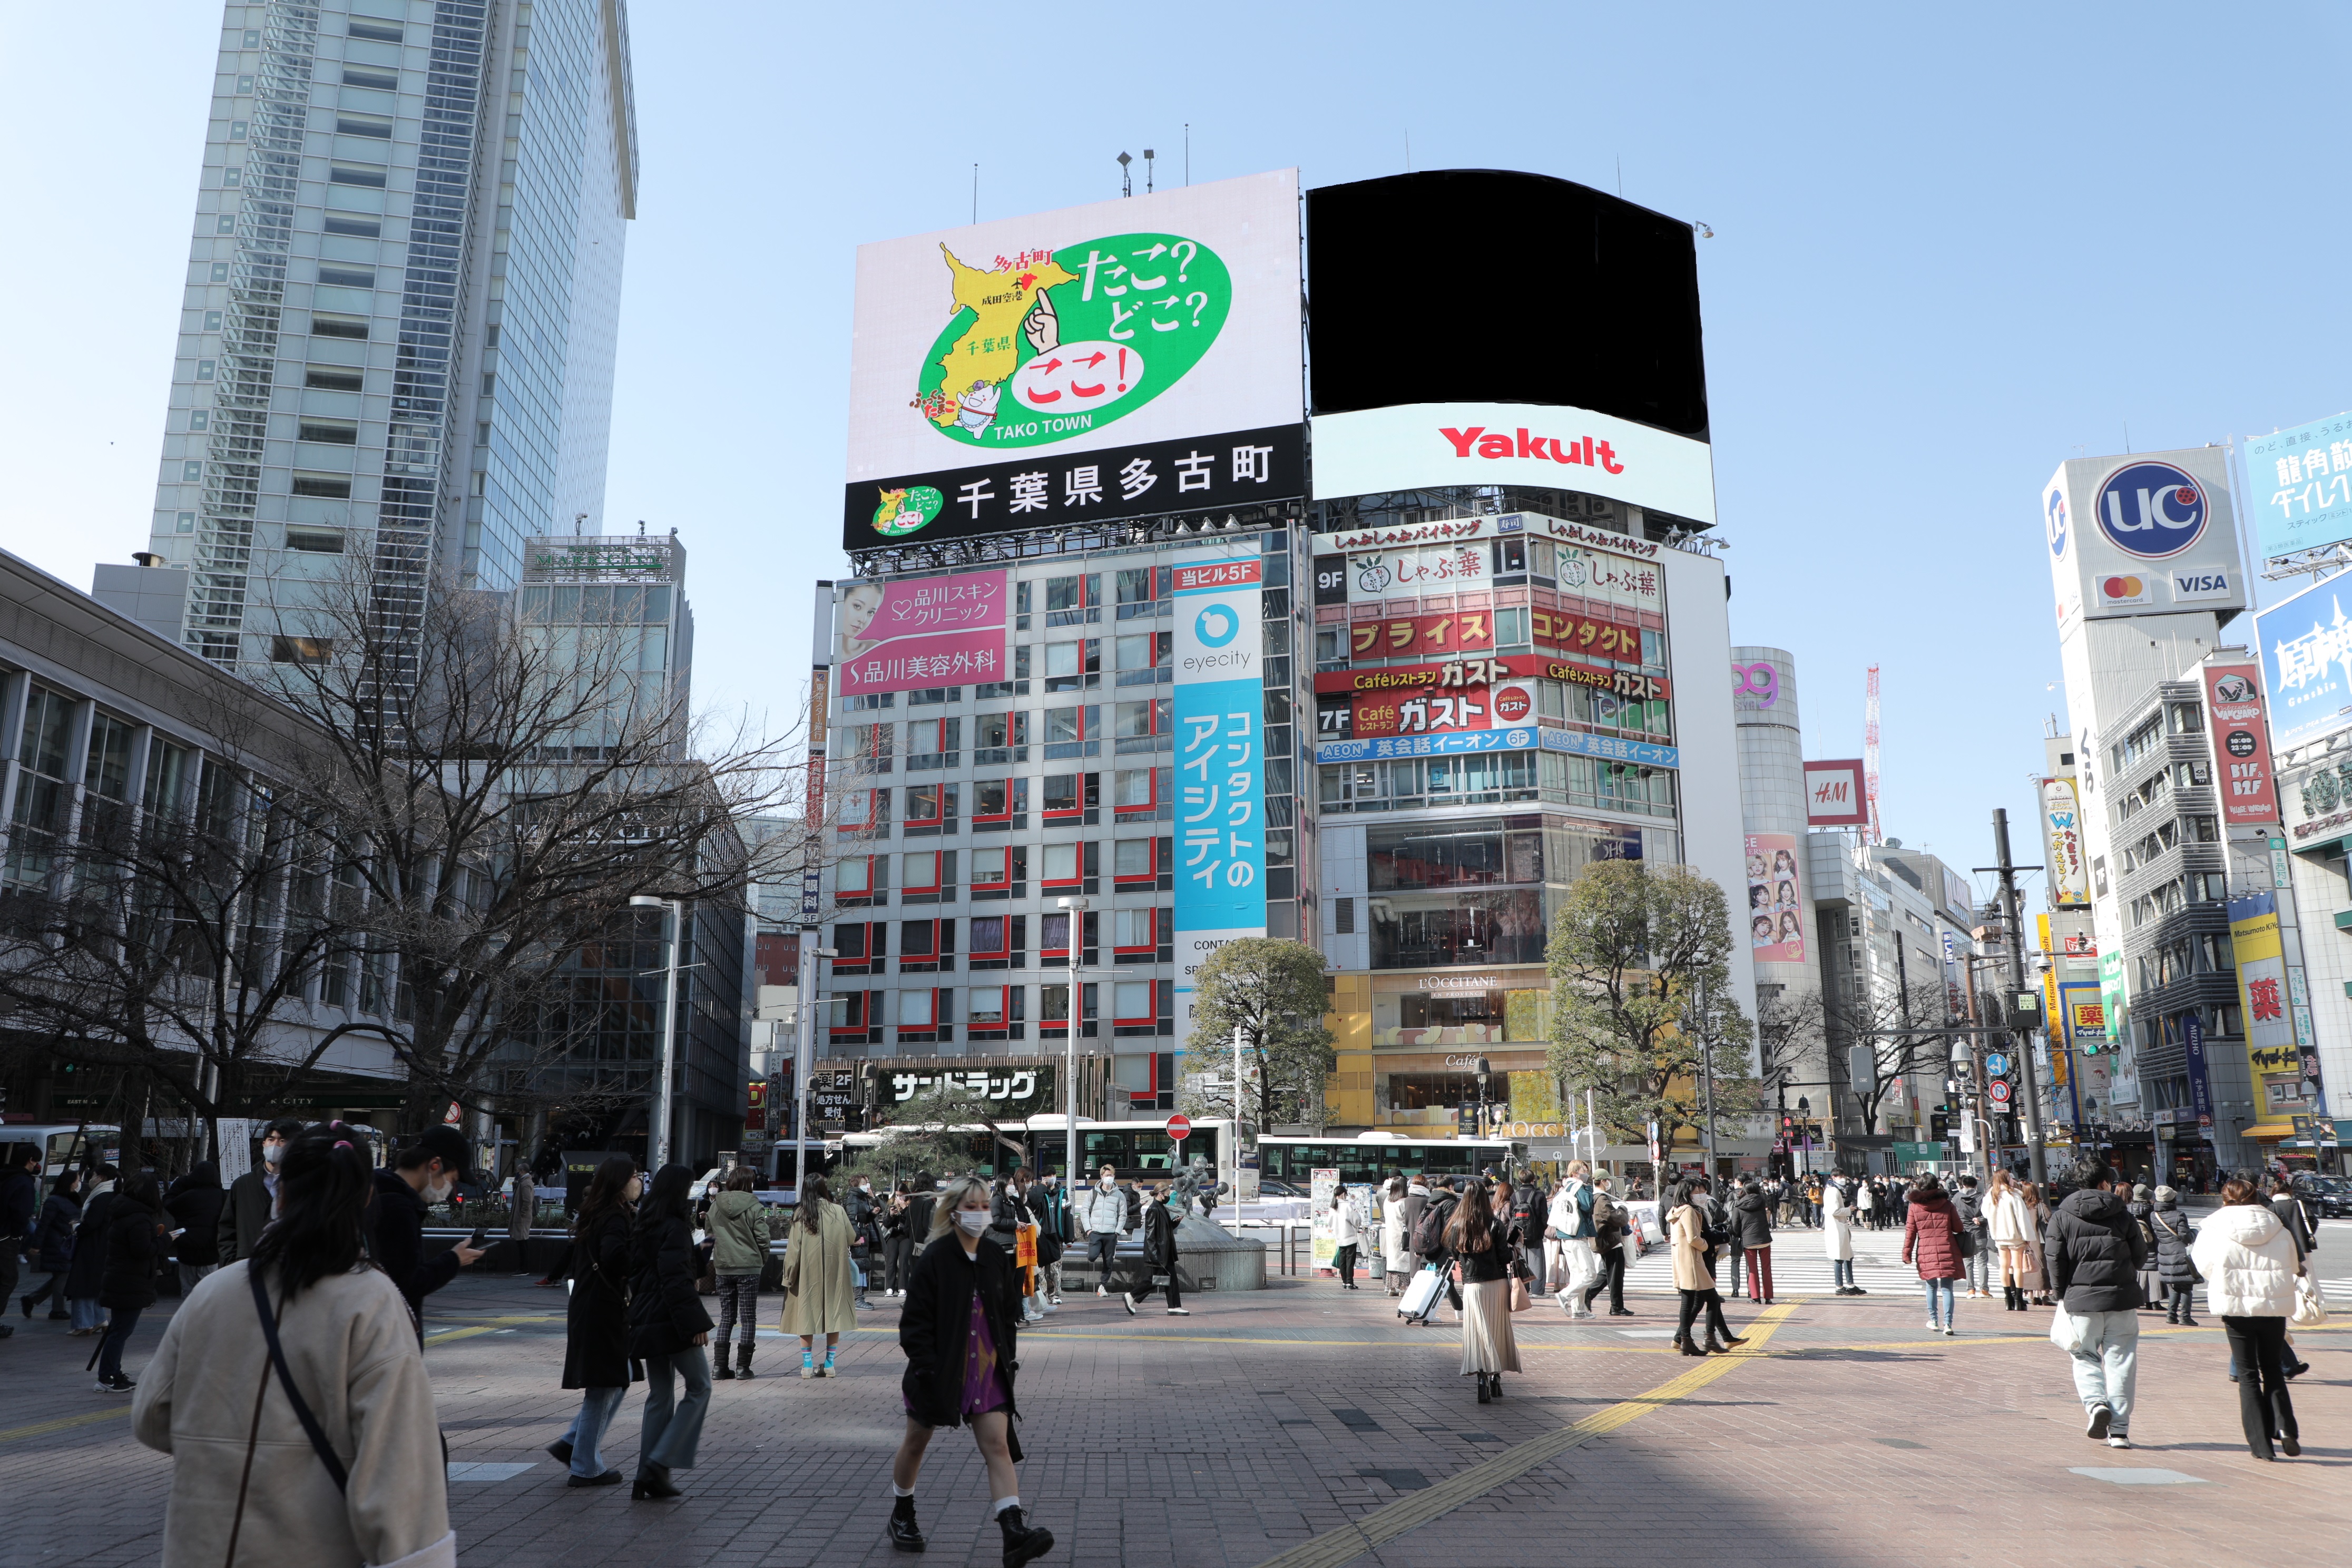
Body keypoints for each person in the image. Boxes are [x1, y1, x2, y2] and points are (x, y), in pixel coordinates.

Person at [132, 1123, 453, 1566]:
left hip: (200, 1550)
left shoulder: (214, 1292)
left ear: (280, 1193)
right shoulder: (373, 1303)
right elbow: (400, 1474)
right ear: (365, 1198)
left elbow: (151, 1416)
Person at [887, 1174, 1055, 1565]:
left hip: (988, 1369)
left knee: (997, 1445)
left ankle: (1013, 1532)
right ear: (954, 1211)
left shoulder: (995, 1255)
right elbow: (913, 1325)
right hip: (938, 1371)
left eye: (984, 1206)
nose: (980, 1213)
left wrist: (1007, 1361)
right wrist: (928, 1369)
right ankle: (902, 1513)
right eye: (971, 1206)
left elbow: (1008, 1312)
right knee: (916, 1442)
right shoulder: (935, 1257)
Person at [2190, 1178, 2306, 1461]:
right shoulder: (2275, 1224)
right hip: (2273, 1305)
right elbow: (2293, 1264)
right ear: (2256, 1196)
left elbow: (2203, 1264)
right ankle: (2285, 1428)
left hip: (2236, 1306)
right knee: (2273, 1369)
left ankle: (2261, 1445)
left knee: (2248, 1375)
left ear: (2225, 1198)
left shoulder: (2214, 1226)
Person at [2045, 1156, 2148, 1449]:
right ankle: (2120, 1431)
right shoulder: (2123, 1214)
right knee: (2121, 1362)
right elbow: (2140, 1256)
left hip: (2081, 1301)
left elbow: (2055, 1260)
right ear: (2105, 1182)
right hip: (2121, 1298)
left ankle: (2096, 1405)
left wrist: (2061, 1293)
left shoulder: (2062, 1216)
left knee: (2084, 1356)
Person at [552, 1157, 641, 1486]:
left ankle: (574, 1444)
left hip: (590, 1305)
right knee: (603, 1387)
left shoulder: (596, 1212)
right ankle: (585, 1466)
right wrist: (639, 1260)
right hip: (602, 1309)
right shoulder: (614, 1216)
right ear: (619, 1182)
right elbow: (614, 1256)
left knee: (618, 1377)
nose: (639, 1181)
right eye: (634, 1176)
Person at [628, 1163, 714, 1501]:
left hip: (647, 1318)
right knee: (700, 1386)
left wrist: (696, 1254)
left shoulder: (644, 1224)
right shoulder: (675, 1227)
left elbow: (652, 1271)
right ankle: (659, 1462)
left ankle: (646, 1475)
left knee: (660, 1395)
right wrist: (696, 1324)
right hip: (672, 1320)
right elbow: (676, 1281)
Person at [366, 1126, 484, 1342]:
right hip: (390, 1340)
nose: (450, 1188)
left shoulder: (375, 1192)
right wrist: (454, 1260)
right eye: (452, 1179)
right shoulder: (399, 1208)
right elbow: (407, 1284)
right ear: (434, 1165)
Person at [1447, 1179, 1520, 1402]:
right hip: (1497, 1284)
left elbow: (1455, 1255)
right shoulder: (1496, 1224)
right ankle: (1496, 1378)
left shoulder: (1457, 1226)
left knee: (1478, 1333)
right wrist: (1514, 1245)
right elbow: (1505, 1257)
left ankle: (1482, 1379)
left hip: (1472, 1286)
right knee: (1498, 1330)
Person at [780, 1172, 858, 1376]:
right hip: (835, 1273)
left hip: (807, 1274)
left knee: (806, 1316)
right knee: (834, 1315)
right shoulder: (838, 1211)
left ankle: (807, 1365)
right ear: (824, 1188)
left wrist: (788, 1277)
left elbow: (794, 1250)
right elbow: (851, 1237)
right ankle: (830, 1363)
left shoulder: (801, 1214)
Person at [95, 1171, 165, 1390]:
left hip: (121, 1278)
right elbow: (142, 1250)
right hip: (130, 1281)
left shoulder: (123, 1211)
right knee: (121, 1331)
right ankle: (107, 1377)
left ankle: (113, 1373)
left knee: (118, 1329)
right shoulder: (139, 1217)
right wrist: (165, 1240)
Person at [707, 1168, 768, 1381]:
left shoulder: (715, 1205)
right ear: (748, 1183)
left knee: (726, 1318)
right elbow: (763, 1238)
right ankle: (743, 1368)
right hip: (749, 1266)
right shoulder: (754, 1206)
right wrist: (761, 1259)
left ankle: (719, 1368)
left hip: (723, 1267)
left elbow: (709, 1235)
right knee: (748, 1318)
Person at [214, 1118, 302, 1264]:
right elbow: (227, 1229)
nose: (275, 1145)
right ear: (264, 1144)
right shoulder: (243, 1185)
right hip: (247, 1266)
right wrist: (232, 1263)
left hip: (291, 1267)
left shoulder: (306, 1185)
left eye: (283, 1141)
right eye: (271, 1139)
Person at [1902, 1173, 1966, 1337]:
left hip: (1926, 1251)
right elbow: (1958, 1228)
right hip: (1947, 1248)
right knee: (1947, 1289)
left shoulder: (1914, 1207)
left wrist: (1907, 1254)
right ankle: (1948, 1324)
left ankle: (1933, 1320)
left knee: (1931, 1286)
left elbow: (1910, 1233)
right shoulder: (1947, 1204)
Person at [1669, 1183, 1729, 1356]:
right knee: (1709, 1299)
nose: (1699, 1195)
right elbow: (1693, 1238)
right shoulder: (1688, 1210)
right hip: (1693, 1260)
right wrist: (1706, 1246)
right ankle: (1702, 1339)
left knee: (1691, 1301)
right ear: (1687, 1194)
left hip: (1683, 1259)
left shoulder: (1676, 1210)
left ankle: (1686, 1340)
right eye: (1695, 1192)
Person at [20, 1168, 81, 1321]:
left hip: (68, 1243)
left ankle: (31, 1299)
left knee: (61, 1277)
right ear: (70, 1183)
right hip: (57, 1245)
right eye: (78, 1180)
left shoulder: (73, 1199)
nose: (79, 1183)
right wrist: (36, 1245)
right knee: (62, 1276)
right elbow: (44, 1225)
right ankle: (57, 1310)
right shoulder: (54, 1201)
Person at [64, 1165, 116, 1335]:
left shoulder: (102, 1196)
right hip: (103, 1245)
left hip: (92, 1245)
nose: (90, 1179)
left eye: (93, 1175)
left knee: (82, 1283)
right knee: (93, 1284)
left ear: (101, 1177)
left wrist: (77, 1227)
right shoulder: (114, 1194)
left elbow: (92, 1222)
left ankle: (83, 1324)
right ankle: (98, 1320)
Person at [162, 1161, 226, 1300]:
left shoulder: (186, 1196)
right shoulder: (222, 1196)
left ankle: (188, 1314)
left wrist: (183, 1182)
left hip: (187, 1250)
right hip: (211, 1252)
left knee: (188, 1292)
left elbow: (168, 1201)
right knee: (209, 1293)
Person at [1125, 1182, 1188, 1316]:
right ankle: (1131, 1296)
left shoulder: (1161, 1208)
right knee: (1154, 1280)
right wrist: (1155, 1255)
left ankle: (1174, 1306)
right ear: (1161, 1194)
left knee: (1171, 1279)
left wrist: (1174, 1223)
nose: (1168, 1197)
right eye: (1167, 1194)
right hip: (1160, 1253)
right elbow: (1150, 1235)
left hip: (1165, 1251)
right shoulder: (1154, 1210)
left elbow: (1164, 1228)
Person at [1549, 1162, 1599, 1318]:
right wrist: (1588, 1189)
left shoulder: (1564, 1189)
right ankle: (1565, 1296)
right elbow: (1587, 1206)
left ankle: (1578, 1310)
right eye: (1584, 1170)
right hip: (1578, 1235)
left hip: (1565, 1236)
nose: (1587, 1174)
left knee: (1578, 1274)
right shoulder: (1579, 1187)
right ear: (1576, 1172)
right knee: (1590, 1274)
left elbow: (1552, 1210)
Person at [1985, 1170, 2037, 1310]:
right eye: (2009, 1177)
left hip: (1999, 1236)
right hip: (2015, 1236)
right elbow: (2023, 1219)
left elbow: (1985, 1213)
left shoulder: (1991, 1195)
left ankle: (2008, 1299)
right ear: (2006, 1179)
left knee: (2004, 1266)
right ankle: (2019, 1299)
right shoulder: (2013, 1195)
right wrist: (2027, 1237)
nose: (2012, 1179)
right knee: (2017, 1267)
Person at [0, 1144, 37, 1338]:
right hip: (6, 1237)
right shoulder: (23, 1182)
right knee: (8, 1279)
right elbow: (22, 1213)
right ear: (31, 1160)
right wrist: (17, 1235)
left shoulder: (5, 1176)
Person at [2150, 1187, 2200, 1326]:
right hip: (2181, 1254)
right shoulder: (2179, 1215)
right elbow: (2186, 1237)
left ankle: (2171, 1315)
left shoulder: (2154, 1215)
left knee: (2176, 1286)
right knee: (2186, 1287)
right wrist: (2195, 1232)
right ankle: (2185, 1317)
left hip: (2165, 1253)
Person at [1076, 1163, 1127, 1298]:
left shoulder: (1119, 1195)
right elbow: (1084, 1211)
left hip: (1111, 1234)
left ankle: (1102, 1286)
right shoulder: (1093, 1193)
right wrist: (1089, 1230)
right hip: (1096, 1233)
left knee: (1108, 1262)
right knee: (1092, 1256)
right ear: (1101, 1177)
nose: (1109, 1178)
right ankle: (1100, 1248)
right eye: (1107, 1175)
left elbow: (1123, 1214)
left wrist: (1117, 1232)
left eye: (1111, 1175)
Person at [1585, 1175, 1633, 1316]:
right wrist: (1623, 1210)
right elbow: (1613, 1217)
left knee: (1610, 1273)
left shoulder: (1596, 1198)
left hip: (1605, 1240)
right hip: (1609, 1240)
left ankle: (1612, 1304)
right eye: (1608, 1180)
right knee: (1615, 1274)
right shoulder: (1601, 1199)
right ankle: (1615, 1306)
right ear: (1602, 1181)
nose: (1609, 1183)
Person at [1025, 1171, 1067, 1308]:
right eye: (1046, 1176)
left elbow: (1067, 1214)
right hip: (1042, 1235)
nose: (1050, 1179)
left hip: (1057, 1235)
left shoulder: (1062, 1192)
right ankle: (1042, 1295)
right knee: (1041, 1268)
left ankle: (1055, 1294)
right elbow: (1031, 1202)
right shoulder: (1039, 1191)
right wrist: (1042, 1187)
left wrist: (1069, 1237)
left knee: (1056, 1267)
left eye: (1052, 1175)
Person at [1734, 1178, 1776, 1305]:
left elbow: (1735, 1225)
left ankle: (1755, 1297)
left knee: (1752, 1269)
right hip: (1764, 1239)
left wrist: (1740, 1234)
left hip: (1749, 1240)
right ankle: (1768, 1297)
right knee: (1766, 1268)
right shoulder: (1762, 1201)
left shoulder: (1739, 1205)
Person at [1951, 1174, 1990, 1299]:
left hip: (1965, 1234)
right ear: (1975, 1186)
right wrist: (1981, 1220)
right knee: (1982, 1262)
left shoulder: (1957, 1198)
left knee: (1968, 1263)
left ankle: (1970, 1290)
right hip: (1980, 1232)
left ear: (1963, 1185)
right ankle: (1984, 1290)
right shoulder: (1982, 1198)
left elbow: (1953, 1215)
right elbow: (1988, 1215)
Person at [1391, 1175, 1430, 1296]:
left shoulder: (1407, 1200)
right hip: (1425, 1237)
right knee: (1424, 1263)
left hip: (1412, 1235)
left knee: (1414, 1264)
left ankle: (1414, 1287)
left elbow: (1407, 1220)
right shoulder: (1427, 1200)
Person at [2125, 1183, 2162, 1312]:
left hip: (2134, 1243)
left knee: (2138, 1271)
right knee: (2153, 1272)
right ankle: (2155, 1302)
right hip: (2151, 1244)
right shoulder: (2152, 1210)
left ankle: (2141, 1300)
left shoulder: (2127, 1209)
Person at [1822, 1173, 1861, 1295]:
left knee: (1848, 1256)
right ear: (1834, 1177)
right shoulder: (1833, 1191)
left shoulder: (1834, 1189)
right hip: (1836, 1228)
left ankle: (1850, 1284)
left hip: (1839, 1227)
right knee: (1839, 1258)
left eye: (1844, 1177)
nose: (1843, 1179)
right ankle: (1839, 1286)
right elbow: (1835, 1211)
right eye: (1840, 1177)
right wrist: (1849, 1209)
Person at [1510, 1175, 1546, 1295]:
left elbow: (1511, 1216)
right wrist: (1540, 1230)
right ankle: (1537, 1291)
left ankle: (1523, 1290)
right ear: (1533, 1180)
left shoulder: (1515, 1196)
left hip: (1518, 1234)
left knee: (1521, 1262)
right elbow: (1544, 1217)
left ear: (1520, 1180)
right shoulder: (1539, 1195)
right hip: (1535, 1235)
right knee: (1537, 1263)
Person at [2021, 1181, 2056, 1305]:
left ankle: (2032, 1296)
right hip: (2038, 1239)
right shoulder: (2040, 1205)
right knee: (2042, 1266)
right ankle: (2044, 1297)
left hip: (2024, 1240)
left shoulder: (2021, 1206)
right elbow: (2050, 1219)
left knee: (2028, 1266)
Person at [881, 1183, 917, 1299]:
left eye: (901, 1195)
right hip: (893, 1235)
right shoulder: (892, 1203)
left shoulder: (911, 1204)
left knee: (904, 1260)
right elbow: (886, 1223)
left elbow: (912, 1221)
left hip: (905, 1236)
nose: (899, 1198)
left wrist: (904, 1209)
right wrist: (891, 1215)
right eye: (897, 1195)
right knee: (891, 1260)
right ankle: (889, 1288)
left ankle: (903, 1287)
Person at [1329, 1187, 1363, 1291]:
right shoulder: (1347, 1206)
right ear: (1343, 1194)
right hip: (1350, 1238)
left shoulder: (1332, 1207)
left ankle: (1344, 1282)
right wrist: (1358, 1216)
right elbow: (1356, 1221)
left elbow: (1330, 1223)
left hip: (1340, 1238)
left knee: (1342, 1261)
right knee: (1350, 1262)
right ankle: (1350, 1283)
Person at [508, 1166, 536, 1276]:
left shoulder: (525, 1183)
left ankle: (523, 1268)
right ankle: (523, 1268)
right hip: (522, 1217)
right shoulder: (524, 1182)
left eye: (518, 1171)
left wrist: (522, 1214)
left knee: (521, 1242)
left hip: (522, 1218)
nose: (517, 1173)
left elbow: (527, 1201)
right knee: (522, 1242)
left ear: (523, 1171)